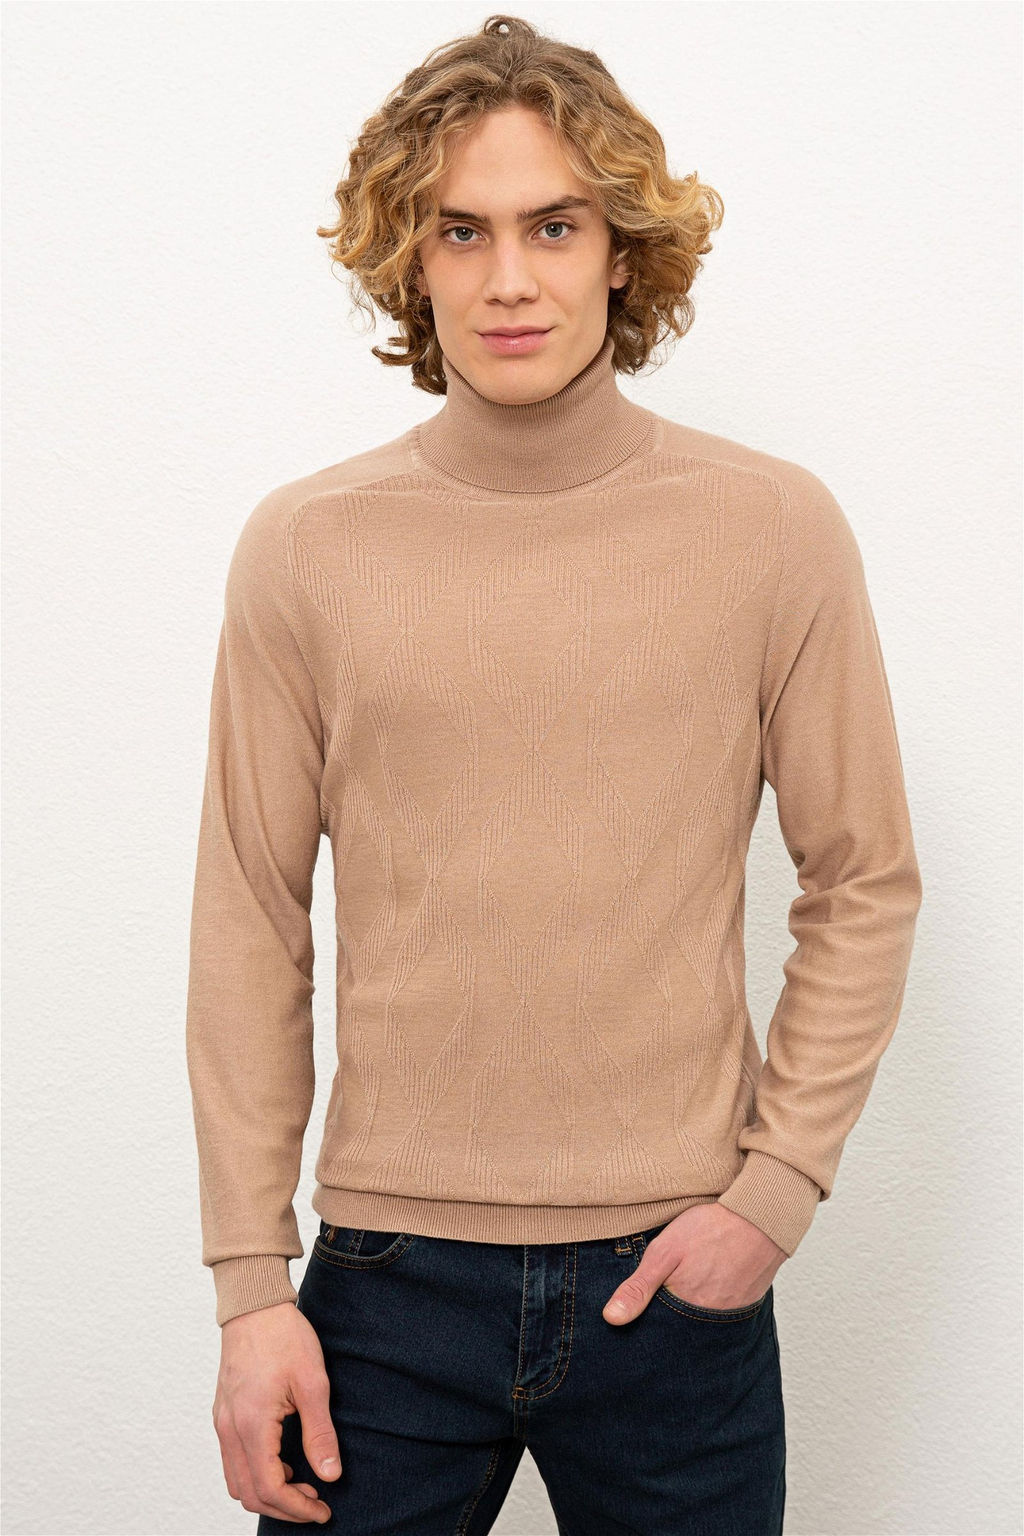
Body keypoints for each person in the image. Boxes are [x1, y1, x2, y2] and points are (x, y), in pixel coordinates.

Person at [185, 14, 923, 1533]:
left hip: (676, 1282)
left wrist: (773, 1194)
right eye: (461, 230)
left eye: (554, 226)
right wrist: (251, 1288)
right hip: (384, 1287)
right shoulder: (308, 547)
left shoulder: (771, 528)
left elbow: (865, 880)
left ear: (621, 252)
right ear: (411, 258)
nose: (509, 278)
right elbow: (251, 918)